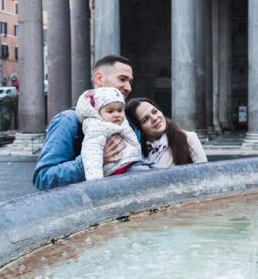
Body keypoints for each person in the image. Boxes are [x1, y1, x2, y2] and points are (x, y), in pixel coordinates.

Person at [33, 55, 136, 189]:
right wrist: (92, 159)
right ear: (99, 78)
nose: (128, 87)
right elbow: (43, 179)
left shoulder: (126, 122)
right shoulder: (68, 121)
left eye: (131, 82)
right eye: (122, 79)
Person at [76, 87, 141, 180]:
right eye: (110, 111)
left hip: (131, 163)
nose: (116, 114)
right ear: (97, 113)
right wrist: (95, 181)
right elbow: (92, 154)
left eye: (120, 110)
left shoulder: (123, 123)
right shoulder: (97, 128)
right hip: (117, 169)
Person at [125, 97, 207, 167]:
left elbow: (204, 176)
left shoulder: (188, 138)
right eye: (145, 119)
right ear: (138, 129)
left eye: (154, 111)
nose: (154, 118)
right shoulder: (138, 155)